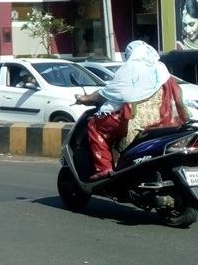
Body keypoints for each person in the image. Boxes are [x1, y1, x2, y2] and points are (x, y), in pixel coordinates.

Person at [75, 40, 189, 180]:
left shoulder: (131, 68)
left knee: (95, 126)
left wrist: (86, 98)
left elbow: (110, 92)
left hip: (133, 120)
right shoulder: (160, 69)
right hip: (160, 120)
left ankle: (104, 169)